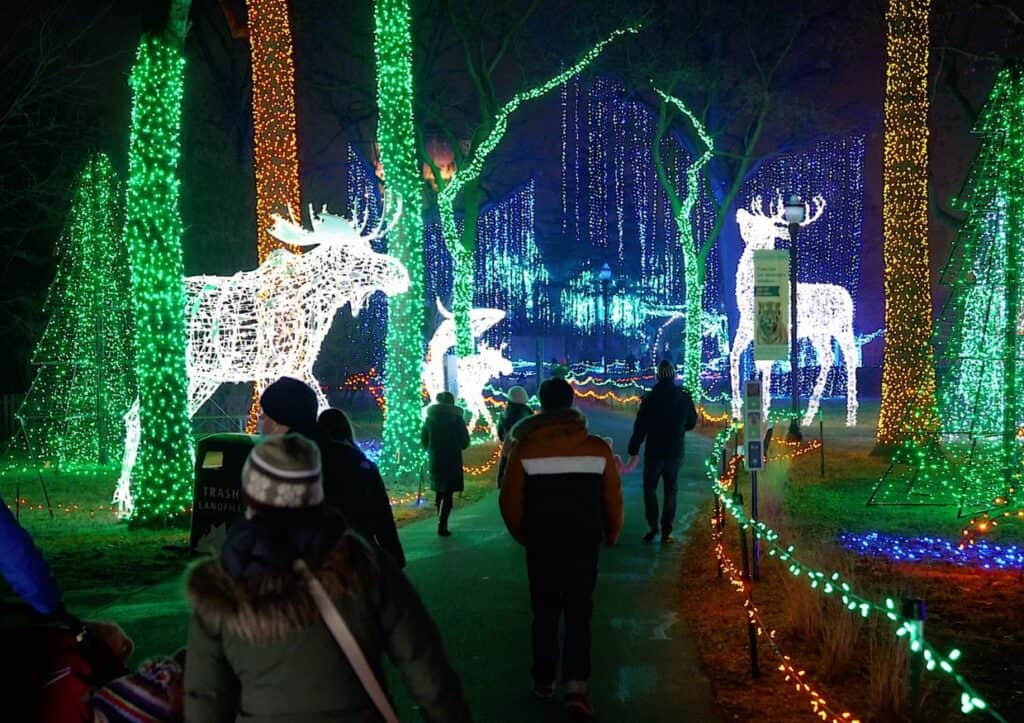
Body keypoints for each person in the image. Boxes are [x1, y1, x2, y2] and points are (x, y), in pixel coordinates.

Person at [184, 434, 472, 722]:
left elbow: (205, 695)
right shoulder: (363, 563)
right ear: (316, 491)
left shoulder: (222, 580)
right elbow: (424, 664)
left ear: (250, 495)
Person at [498, 378, 623, 718]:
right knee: (580, 612)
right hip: (584, 541)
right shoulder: (597, 448)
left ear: (541, 404)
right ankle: (577, 688)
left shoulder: (526, 448)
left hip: (542, 542)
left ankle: (543, 679)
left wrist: (525, 534)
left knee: (545, 611)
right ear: (571, 403)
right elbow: (612, 498)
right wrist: (611, 532)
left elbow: (508, 501)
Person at [318, 407, 406, 567]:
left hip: (324, 551)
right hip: (360, 543)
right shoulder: (360, 463)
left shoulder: (312, 463)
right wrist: (394, 553)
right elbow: (381, 512)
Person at [627, 360, 698, 544]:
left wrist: (634, 447)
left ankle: (653, 526)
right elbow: (691, 422)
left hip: (654, 450)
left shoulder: (650, 398)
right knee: (670, 490)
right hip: (675, 451)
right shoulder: (683, 397)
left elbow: (640, 426)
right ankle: (667, 530)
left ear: (658, 376)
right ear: (674, 376)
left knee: (650, 488)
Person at [420, 392, 470, 537]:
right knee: (448, 493)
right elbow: (464, 441)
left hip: (435, 458)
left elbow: (424, 440)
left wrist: (431, 449)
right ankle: (443, 524)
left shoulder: (429, 419)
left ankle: (440, 520)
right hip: (452, 458)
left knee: (439, 491)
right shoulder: (457, 419)